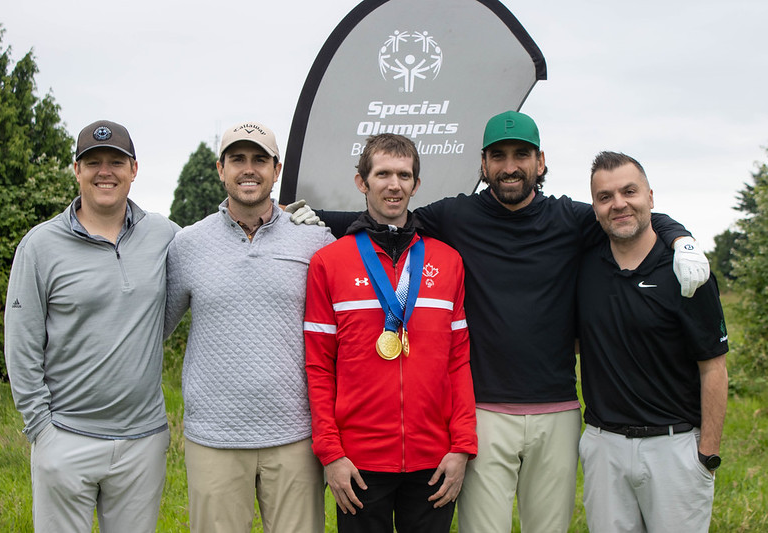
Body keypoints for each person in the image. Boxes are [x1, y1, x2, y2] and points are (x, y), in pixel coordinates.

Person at [289, 111, 710, 532]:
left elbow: (629, 213)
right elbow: (389, 218)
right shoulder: (457, 217)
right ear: (484, 164)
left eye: (521, 155)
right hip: (486, 411)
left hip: (558, 410)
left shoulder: (572, 219)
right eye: (499, 156)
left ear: (540, 162)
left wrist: (681, 238)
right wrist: (313, 223)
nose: (510, 166)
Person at [4, 120, 179, 533]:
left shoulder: (164, 234)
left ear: (134, 169)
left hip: (143, 441)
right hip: (65, 436)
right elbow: (21, 344)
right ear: (76, 170)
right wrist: (41, 430)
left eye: (116, 161)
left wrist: (282, 220)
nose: (105, 171)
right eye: (93, 162)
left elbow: (214, 255)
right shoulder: (39, 246)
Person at [163, 121, 334, 533]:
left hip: (295, 435)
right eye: (237, 159)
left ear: (277, 170)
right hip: (214, 438)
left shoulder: (314, 240)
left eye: (260, 159)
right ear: (220, 169)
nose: (249, 168)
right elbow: (153, 332)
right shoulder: (188, 245)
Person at [303, 133, 477, 533]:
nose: (394, 184)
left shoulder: (447, 261)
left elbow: (459, 360)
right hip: (358, 462)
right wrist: (330, 454)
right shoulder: (328, 263)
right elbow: (318, 366)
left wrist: (462, 447)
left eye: (404, 175)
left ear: (416, 184)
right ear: (362, 182)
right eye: (382, 173)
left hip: (435, 460)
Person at [577, 151, 728, 532]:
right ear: (594, 207)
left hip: (674, 448)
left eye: (630, 191)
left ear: (651, 197)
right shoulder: (583, 265)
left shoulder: (688, 274)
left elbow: (714, 367)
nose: (619, 204)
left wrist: (707, 454)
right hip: (603, 446)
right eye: (605, 197)